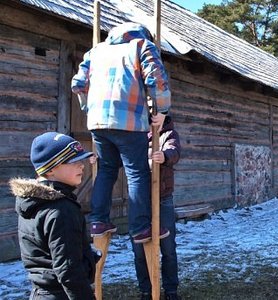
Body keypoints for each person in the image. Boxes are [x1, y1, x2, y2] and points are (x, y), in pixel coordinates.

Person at [71, 22, 171, 243]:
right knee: (137, 173)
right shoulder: (142, 45)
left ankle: (98, 221)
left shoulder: (96, 50)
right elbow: (157, 80)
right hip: (128, 120)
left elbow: (78, 83)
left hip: (97, 122)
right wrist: (162, 109)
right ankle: (140, 227)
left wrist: (89, 108)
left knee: (106, 169)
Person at [10, 132, 99, 299]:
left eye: (81, 160)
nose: (82, 166)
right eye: (73, 161)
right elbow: (69, 271)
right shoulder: (61, 210)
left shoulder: (32, 201)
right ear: (50, 169)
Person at [132, 116, 181, 300]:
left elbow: (174, 151)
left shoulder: (169, 134)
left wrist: (165, 155)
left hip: (163, 199)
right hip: (140, 203)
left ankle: (171, 290)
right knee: (139, 250)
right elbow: (124, 158)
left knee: (168, 248)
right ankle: (146, 290)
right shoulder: (137, 136)